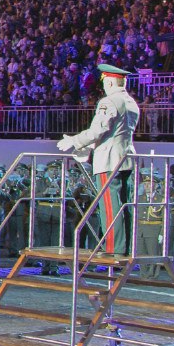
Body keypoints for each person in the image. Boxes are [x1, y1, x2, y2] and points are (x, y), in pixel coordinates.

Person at [58, 63, 140, 255]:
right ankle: (126, 246)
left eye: (104, 82)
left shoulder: (109, 101)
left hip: (109, 159)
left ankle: (114, 247)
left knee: (110, 206)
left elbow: (99, 130)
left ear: (110, 81)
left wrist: (75, 140)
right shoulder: (131, 102)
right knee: (125, 205)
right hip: (126, 157)